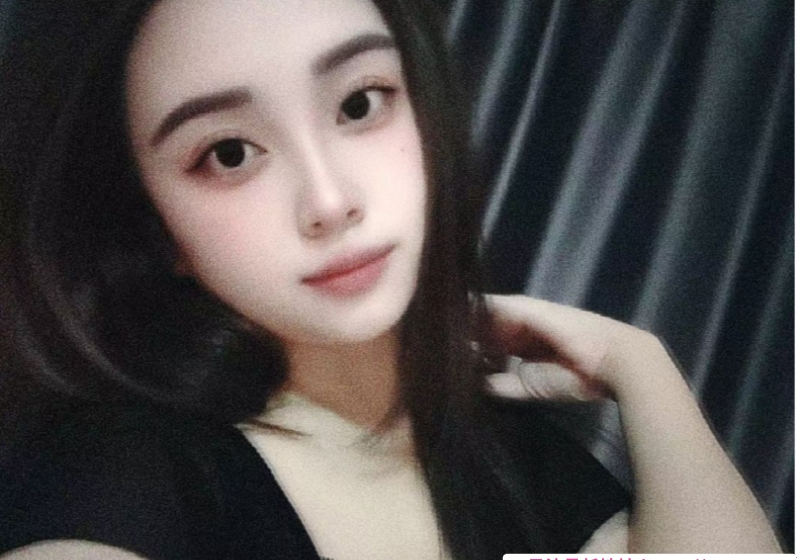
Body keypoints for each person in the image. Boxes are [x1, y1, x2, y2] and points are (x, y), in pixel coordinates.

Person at [0, 0, 781, 558]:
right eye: (229, 154)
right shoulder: (120, 472)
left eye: (360, 103)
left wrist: (641, 366)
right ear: (153, 225)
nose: (330, 201)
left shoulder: (514, 461)